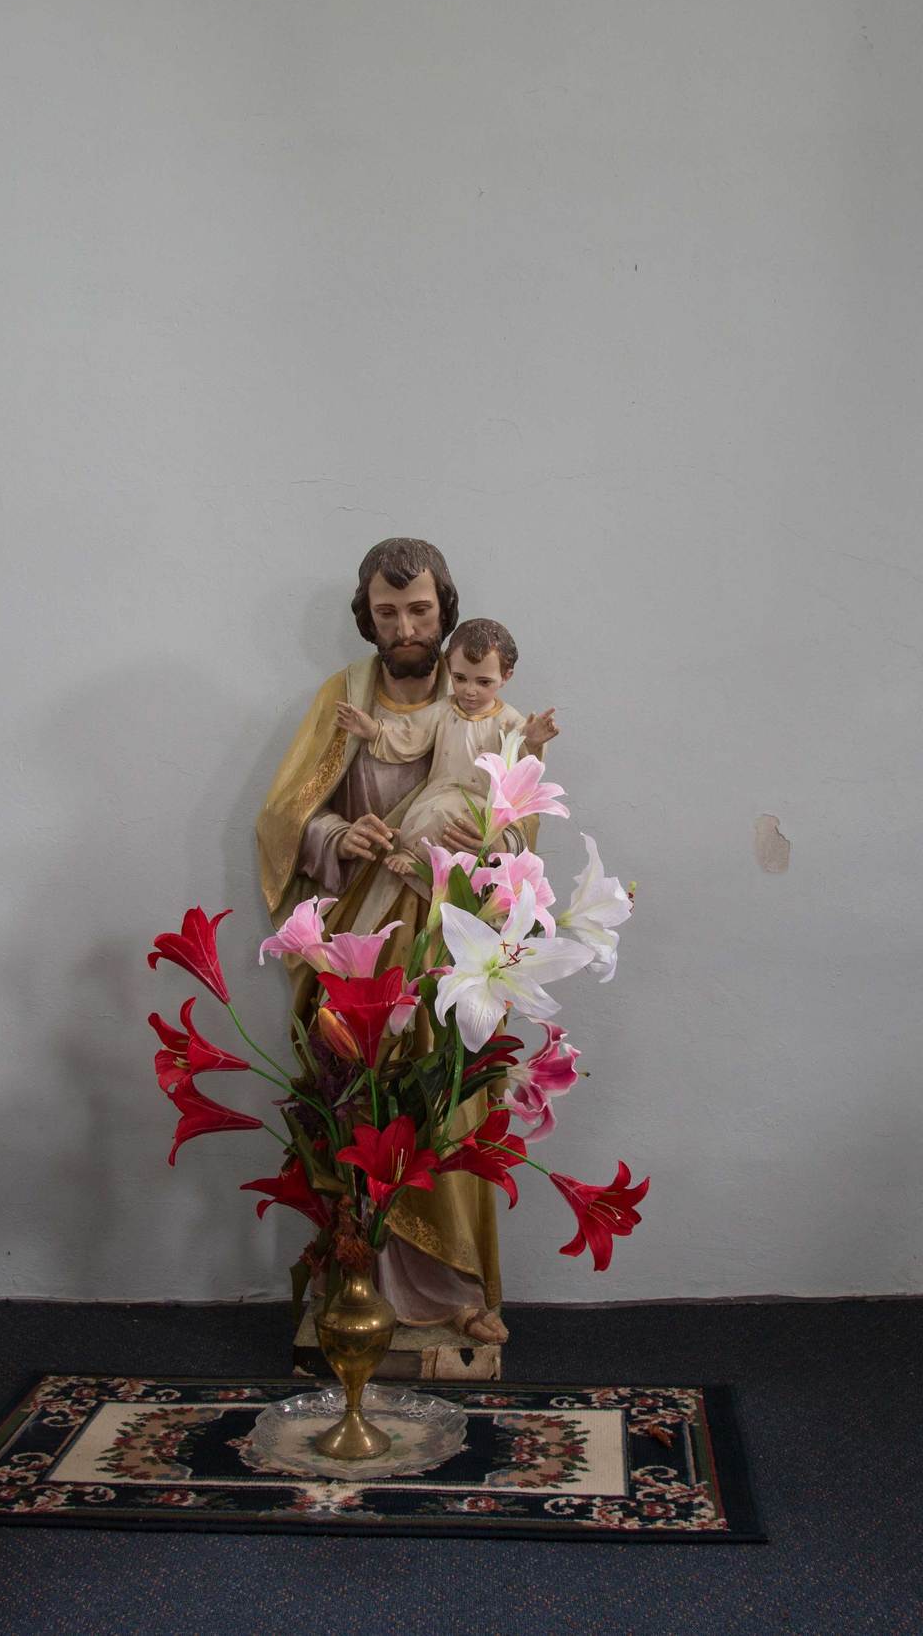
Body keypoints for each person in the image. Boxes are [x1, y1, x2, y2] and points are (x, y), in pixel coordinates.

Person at [254, 540, 531, 1345]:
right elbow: (282, 816)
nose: (406, 625)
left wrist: (475, 851)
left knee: (447, 1099)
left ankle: (455, 1293)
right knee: (359, 1099)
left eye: (419, 609)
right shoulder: (343, 697)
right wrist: (340, 837)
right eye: (387, 611)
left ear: (444, 606)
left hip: (448, 934)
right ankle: (357, 1280)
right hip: (361, 935)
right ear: (367, 616)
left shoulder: (480, 690)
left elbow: (519, 811)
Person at [333, 617, 561, 885]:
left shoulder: (508, 720)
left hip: (479, 802)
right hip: (441, 791)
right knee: (423, 816)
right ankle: (414, 854)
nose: (470, 691)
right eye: (460, 678)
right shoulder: (443, 710)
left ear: (505, 677)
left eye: (483, 682)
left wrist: (532, 740)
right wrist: (372, 729)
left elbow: (522, 765)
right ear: (449, 667)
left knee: (466, 830)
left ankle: (452, 869)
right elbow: (410, 733)